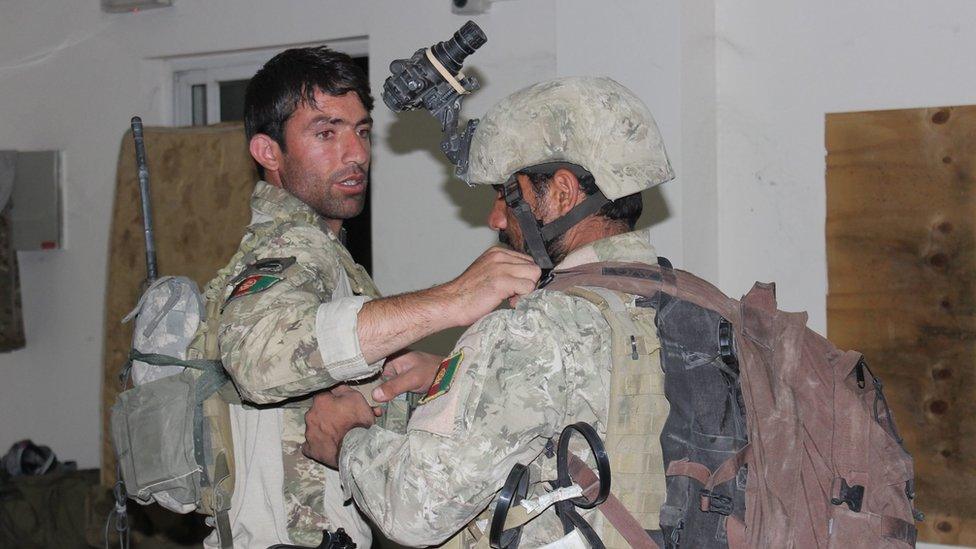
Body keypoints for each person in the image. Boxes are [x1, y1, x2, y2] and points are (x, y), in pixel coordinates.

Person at [302, 76, 676, 547]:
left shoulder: (538, 329)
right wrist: (456, 378)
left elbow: (417, 509)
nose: (495, 219)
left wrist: (346, 440)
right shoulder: (687, 305)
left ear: (562, 192)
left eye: (507, 194)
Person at [203, 46, 541, 548]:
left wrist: (434, 378)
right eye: (325, 132)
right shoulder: (282, 254)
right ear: (268, 152)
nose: (356, 153)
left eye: (361, 132)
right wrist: (454, 298)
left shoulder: (331, 258)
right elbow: (258, 358)